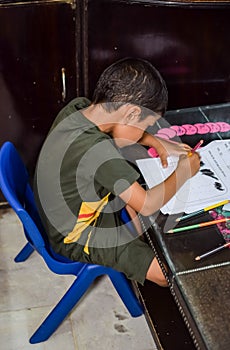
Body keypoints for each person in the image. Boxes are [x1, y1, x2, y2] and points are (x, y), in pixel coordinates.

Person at [34, 58, 200, 287]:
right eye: (146, 125)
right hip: (76, 235)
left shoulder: (79, 107)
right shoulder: (99, 153)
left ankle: (138, 233)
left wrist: (155, 141)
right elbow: (148, 204)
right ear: (131, 113)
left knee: (129, 178)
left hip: (55, 205)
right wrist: (184, 171)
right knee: (165, 274)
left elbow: (120, 135)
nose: (145, 131)